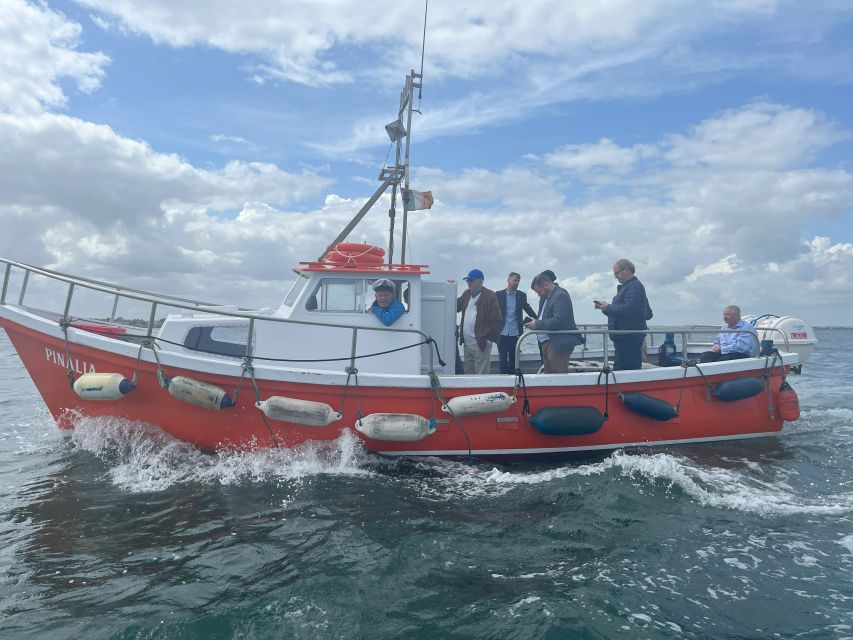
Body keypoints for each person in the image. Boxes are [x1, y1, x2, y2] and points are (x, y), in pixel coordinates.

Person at [594, 258, 652, 371]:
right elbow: (624, 312)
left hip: (629, 337)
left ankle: (630, 389)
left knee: (627, 370)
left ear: (627, 270)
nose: (615, 276)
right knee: (622, 369)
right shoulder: (629, 287)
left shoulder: (634, 286)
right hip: (624, 337)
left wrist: (608, 307)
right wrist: (606, 309)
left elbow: (630, 309)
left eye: (617, 273)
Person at [524, 272, 584, 373]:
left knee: (558, 377)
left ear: (546, 285)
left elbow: (560, 320)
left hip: (557, 344)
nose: (539, 294)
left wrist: (537, 324)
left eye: (539, 291)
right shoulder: (545, 297)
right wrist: (536, 322)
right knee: (549, 378)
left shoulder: (560, 295)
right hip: (547, 343)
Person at [457, 269, 503, 374]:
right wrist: (450, 288)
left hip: (481, 343)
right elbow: (456, 306)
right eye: (468, 280)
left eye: (472, 280)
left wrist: (487, 338)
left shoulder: (490, 295)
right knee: (468, 373)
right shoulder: (466, 294)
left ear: (481, 281)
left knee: (481, 375)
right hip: (467, 344)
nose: (469, 283)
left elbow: (497, 320)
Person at [496, 272, 537, 374]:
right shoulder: (498, 295)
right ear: (508, 280)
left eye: (518, 281)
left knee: (514, 361)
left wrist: (538, 319)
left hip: (515, 333)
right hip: (502, 332)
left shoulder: (521, 295)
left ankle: (513, 385)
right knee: (503, 361)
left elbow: (528, 308)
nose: (516, 282)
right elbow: (492, 312)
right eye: (514, 280)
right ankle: (503, 383)